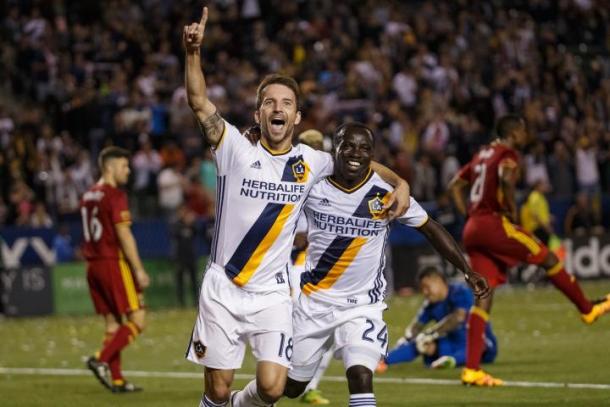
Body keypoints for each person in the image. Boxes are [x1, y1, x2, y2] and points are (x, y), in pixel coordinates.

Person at [182, 8, 411, 407]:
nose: (277, 108)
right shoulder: (233, 148)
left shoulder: (314, 161)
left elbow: (359, 163)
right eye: (269, 102)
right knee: (216, 390)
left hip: (272, 293)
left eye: (286, 102)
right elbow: (199, 102)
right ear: (258, 114)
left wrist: (400, 183)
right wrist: (193, 52)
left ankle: (241, 405)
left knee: (272, 388)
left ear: (296, 115)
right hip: (224, 288)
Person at [283, 123, 489, 407]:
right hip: (314, 302)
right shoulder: (313, 185)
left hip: (362, 305)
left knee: (360, 375)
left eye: (365, 148)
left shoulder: (385, 193)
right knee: (290, 387)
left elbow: (430, 228)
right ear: (336, 149)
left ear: (372, 153)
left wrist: (467, 270)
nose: (357, 153)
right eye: (349, 146)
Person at [448, 114, 610, 387]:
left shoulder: (481, 154)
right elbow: (506, 177)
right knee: (547, 256)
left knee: (483, 296)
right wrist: (510, 209)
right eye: (524, 130)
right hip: (493, 222)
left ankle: (472, 370)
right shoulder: (507, 153)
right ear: (515, 132)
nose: (526, 135)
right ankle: (586, 308)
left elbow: (455, 186)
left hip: (473, 227)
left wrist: (469, 213)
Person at [81, 146, 150, 393]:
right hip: (112, 263)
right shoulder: (114, 195)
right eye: (124, 166)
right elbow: (124, 234)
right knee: (138, 319)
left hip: (92, 266)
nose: (128, 171)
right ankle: (100, 359)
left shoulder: (89, 195)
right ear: (110, 168)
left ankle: (117, 380)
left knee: (113, 324)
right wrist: (139, 270)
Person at [377, 267, 497, 372]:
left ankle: (452, 360)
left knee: (474, 346)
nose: (425, 292)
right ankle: (383, 361)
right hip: (452, 343)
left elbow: (458, 317)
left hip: (481, 344)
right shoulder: (430, 304)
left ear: (438, 281)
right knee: (420, 343)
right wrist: (406, 339)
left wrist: (431, 334)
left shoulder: (460, 291)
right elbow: (416, 327)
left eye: (427, 287)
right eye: (422, 289)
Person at [172, 204, 200, 307]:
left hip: (191, 256)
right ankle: (181, 302)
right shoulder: (176, 224)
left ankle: (196, 301)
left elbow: (198, 232)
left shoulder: (191, 225)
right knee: (180, 280)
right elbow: (173, 234)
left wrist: (191, 223)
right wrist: (184, 223)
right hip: (180, 256)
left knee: (194, 280)